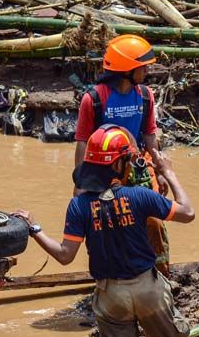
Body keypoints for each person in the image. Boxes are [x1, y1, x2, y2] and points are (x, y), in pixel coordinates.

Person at [15, 124, 199, 337]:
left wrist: (34, 228)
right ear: (118, 164)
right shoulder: (140, 196)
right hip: (149, 290)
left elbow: (65, 255)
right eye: (127, 160)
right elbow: (188, 212)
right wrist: (168, 172)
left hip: (111, 295)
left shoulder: (79, 206)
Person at [73, 34, 171, 276]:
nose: (147, 70)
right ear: (127, 69)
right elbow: (83, 141)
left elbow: (149, 135)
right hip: (105, 171)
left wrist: (160, 172)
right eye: (143, 66)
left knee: (153, 221)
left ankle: (160, 274)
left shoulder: (146, 95)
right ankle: (109, 275)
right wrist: (80, 183)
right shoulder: (94, 99)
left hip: (137, 167)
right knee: (103, 223)